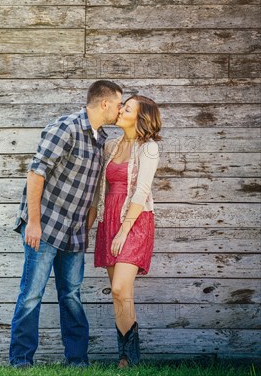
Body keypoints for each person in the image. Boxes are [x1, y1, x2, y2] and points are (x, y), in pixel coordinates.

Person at [9, 80, 124, 368]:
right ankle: (21, 361)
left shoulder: (100, 139)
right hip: (45, 226)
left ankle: (77, 361)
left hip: (73, 232)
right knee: (32, 294)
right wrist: (33, 223)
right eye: (119, 104)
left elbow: (93, 185)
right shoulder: (66, 127)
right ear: (105, 103)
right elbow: (36, 173)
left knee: (71, 295)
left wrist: (89, 219)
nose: (121, 109)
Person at [91, 95, 162, 368]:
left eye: (127, 108)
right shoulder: (110, 145)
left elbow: (142, 191)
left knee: (121, 287)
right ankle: (127, 358)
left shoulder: (149, 148)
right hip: (109, 218)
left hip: (133, 221)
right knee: (119, 294)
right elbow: (100, 188)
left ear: (140, 118)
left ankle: (130, 355)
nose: (121, 110)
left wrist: (122, 232)